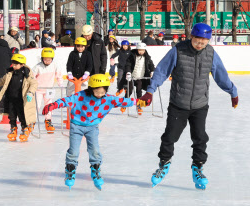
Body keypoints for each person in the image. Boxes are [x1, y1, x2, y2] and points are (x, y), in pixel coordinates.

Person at [140, 23, 238, 190]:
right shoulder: (178, 50)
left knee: (200, 138)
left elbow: (221, 76)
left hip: (200, 104)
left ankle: (198, 167)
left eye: (203, 42)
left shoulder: (211, 54)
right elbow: (162, 71)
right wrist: (150, 91)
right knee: (170, 137)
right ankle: (164, 164)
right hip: (179, 103)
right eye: (197, 41)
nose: (200, 44)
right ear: (191, 37)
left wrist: (232, 92)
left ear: (208, 41)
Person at [41, 74, 144, 190]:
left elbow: (122, 101)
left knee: (95, 150)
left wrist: (138, 102)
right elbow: (66, 100)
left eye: (102, 92)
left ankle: (95, 171)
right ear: (91, 89)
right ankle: (70, 171)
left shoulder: (107, 99)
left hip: (92, 127)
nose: (100, 95)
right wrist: (53, 105)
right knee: (73, 151)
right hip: (76, 127)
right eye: (97, 92)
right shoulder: (80, 96)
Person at [0, 54, 38, 142]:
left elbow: (34, 83)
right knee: (12, 116)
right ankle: (13, 129)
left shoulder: (26, 74)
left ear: (22, 65)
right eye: (13, 64)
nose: (14, 66)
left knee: (22, 116)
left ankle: (25, 129)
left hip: (21, 100)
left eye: (16, 64)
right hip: (11, 99)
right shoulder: (10, 73)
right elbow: (1, 80)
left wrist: (30, 92)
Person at [32, 48, 63, 133]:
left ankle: (48, 121)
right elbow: (32, 77)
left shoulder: (55, 66)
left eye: (49, 60)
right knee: (36, 106)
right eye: (45, 59)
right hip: (38, 90)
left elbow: (59, 75)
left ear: (52, 59)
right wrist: (32, 86)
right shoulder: (38, 67)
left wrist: (60, 84)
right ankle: (32, 122)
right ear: (42, 58)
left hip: (49, 90)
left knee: (49, 106)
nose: (47, 61)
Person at [118, 42, 155, 114]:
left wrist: (152, 71)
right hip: (131, 77)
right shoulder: (132, 55)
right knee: (129, 91)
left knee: (139, 90)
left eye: (143, 50)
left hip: (140, 77)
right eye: (140, 50)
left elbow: (151, 64)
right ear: (137, 49)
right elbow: (128, 65)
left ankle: (139, 105)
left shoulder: (146, 56)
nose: (141, 52)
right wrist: (128, 72)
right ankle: (125, 104)